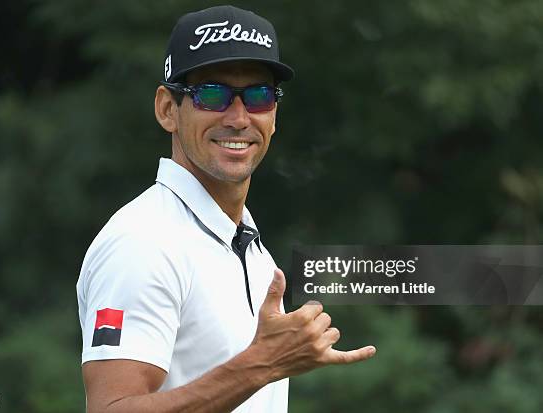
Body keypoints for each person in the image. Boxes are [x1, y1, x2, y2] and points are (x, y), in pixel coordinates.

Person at [76, 5, 376, 413]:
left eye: (258, 95)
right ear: (167, 109)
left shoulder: (250, 249)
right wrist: (261, 364)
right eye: (212, 95)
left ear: (274, 114)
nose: (238, 118)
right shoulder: (143, 241)